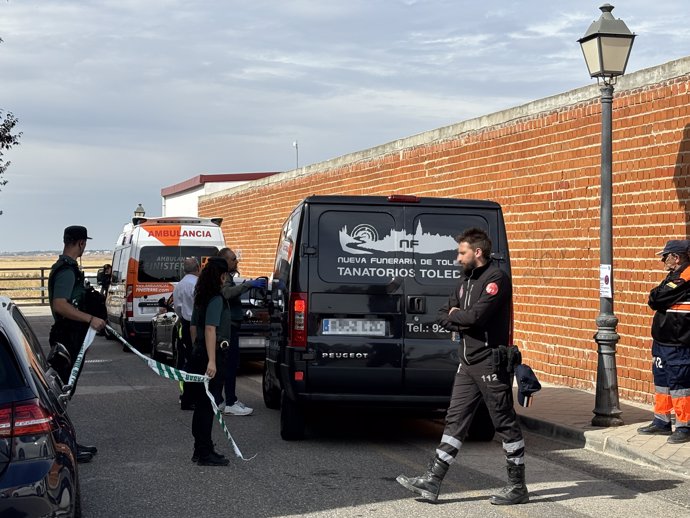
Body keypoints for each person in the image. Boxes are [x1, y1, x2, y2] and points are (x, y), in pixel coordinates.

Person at [396, 228, 528, 505]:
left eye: (461, 252)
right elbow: (442, 314)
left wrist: (460, 316)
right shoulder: (463, 281)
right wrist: (458, 316)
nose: (457, 258)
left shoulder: (496, 279)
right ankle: (433, 480)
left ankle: (517, 487)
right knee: (455, 421)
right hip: (467, 363)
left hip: (490, 361)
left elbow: (477, 318)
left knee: (504, 423)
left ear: (477, 252)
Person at [47, 225, 107, 463]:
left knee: (63, 393)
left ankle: (68, 442)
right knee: (61, 393)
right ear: (81, 243)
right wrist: (90, 318)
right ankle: (63, 446)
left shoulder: (64, 267)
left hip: (71, 334)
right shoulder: (67, 270)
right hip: (66, 335)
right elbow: (60, 304)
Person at [637, 239, 690, 444]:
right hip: (664, 341)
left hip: (679, 343)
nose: (662, 260)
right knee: (662, 382)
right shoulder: (674, 275)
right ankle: (662, 421)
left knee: (680, 384)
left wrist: (657, 296)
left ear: (676, 257)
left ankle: (684, 426)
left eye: (665, 256)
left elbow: (656, 298)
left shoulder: (685, 277)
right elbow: (656, 297)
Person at [212, 247, 266, 416]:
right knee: (229, 365)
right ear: (225, 261)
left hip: (229, 327)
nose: (237, 262)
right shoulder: (224, 276)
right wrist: (248, 284)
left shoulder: (224, 276)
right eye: (233, 259)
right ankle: (229, 402)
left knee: (225, 365)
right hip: (228, 329)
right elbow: (227, 293)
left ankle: (221, 400)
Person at [188, 256, 230, 466]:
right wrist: (211, 360)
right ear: (222, 276)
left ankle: (200, 448)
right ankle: (205, 452)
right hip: (211, 356)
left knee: (201, 405)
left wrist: (198, 349)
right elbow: (210, 328)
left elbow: (193, 327)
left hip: (198, 353)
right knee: (208, 405)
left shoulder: (201, 296)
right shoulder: (216, 298)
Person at [173, 257, 200, 410]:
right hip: (195, 325)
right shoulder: (196, 284)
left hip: (184, 323)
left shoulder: (179, 286)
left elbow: (177, 308)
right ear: (197, 267)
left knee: (187, 360)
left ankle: (186, 396)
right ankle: (192, 397)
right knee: (196, 362)